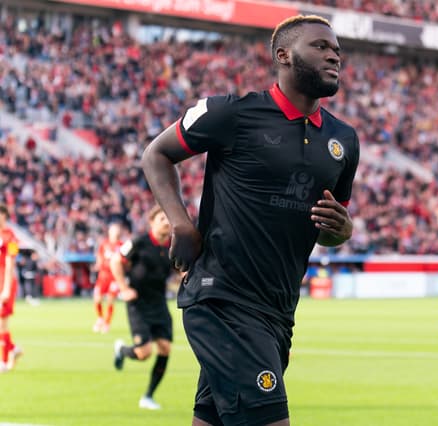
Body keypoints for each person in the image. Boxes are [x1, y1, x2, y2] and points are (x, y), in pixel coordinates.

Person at [141, 15, 359, 426]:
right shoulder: (232, 113)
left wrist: (342, 231)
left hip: (277, 310)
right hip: (221, 299)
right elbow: (156, 153)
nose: (334, 55)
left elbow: (329, 229)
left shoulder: (343, 139)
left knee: (213, 419)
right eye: (320, 46)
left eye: (337, 50)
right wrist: (181, 223)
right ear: (283, 55)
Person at [110, 206, 174, 409]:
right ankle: (122, 350)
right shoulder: (138, 242)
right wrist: (123, 287)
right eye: (162, 218)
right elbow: (115, 261)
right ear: (152, 222)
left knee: (165, 347)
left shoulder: (172, 247)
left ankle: (148, 396)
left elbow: (178, 270)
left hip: (159, 303)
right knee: (144, 353)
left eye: (169, 218)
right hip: (138, 303)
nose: (167, 221)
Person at [0, 203, 22, 372]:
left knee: (2, 323)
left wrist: (6, 289)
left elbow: (10, 264)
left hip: (4, 280)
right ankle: (13, 349)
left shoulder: (11, 237)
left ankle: (3, 360)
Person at [92, 222, 124, 333]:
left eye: (117, 230)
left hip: (114, 277)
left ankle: (107, 323)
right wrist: (98, 265)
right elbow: (99, 257)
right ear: (110, 232)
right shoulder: (104, 244)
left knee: (110, 300)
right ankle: (100, 318)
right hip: (103, 276)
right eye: (113, 230)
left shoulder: (121, 245)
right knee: (97, 299)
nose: (115, 232)